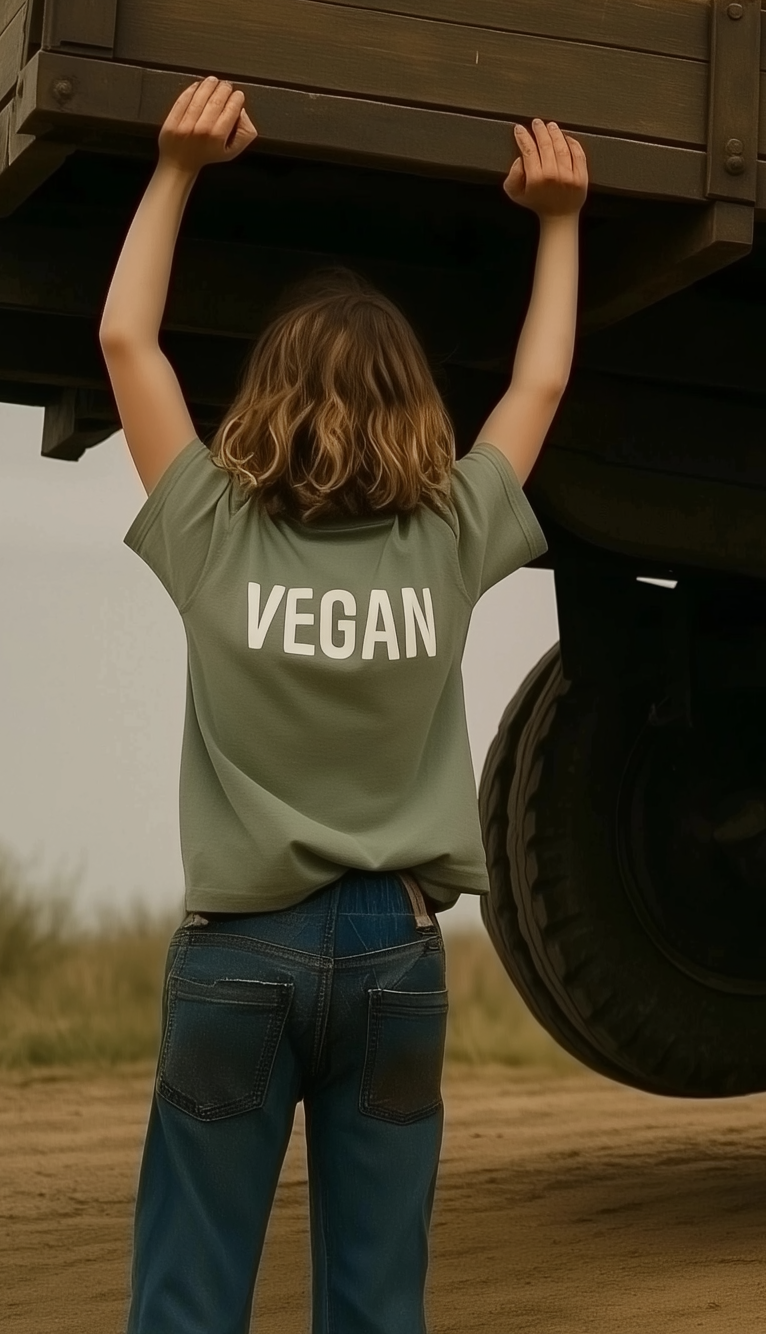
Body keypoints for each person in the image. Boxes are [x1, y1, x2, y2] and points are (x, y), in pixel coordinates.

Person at [100, 76, 587, 1334]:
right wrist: (559, 220)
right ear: (415, 402)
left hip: (237, 949)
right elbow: (537, 390)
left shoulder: (211, 529)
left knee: (187, 1297)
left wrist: (175, 169)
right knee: (379, 1303)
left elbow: (126, 344)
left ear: (265, 393)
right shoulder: (452, 533)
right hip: (393, 951)